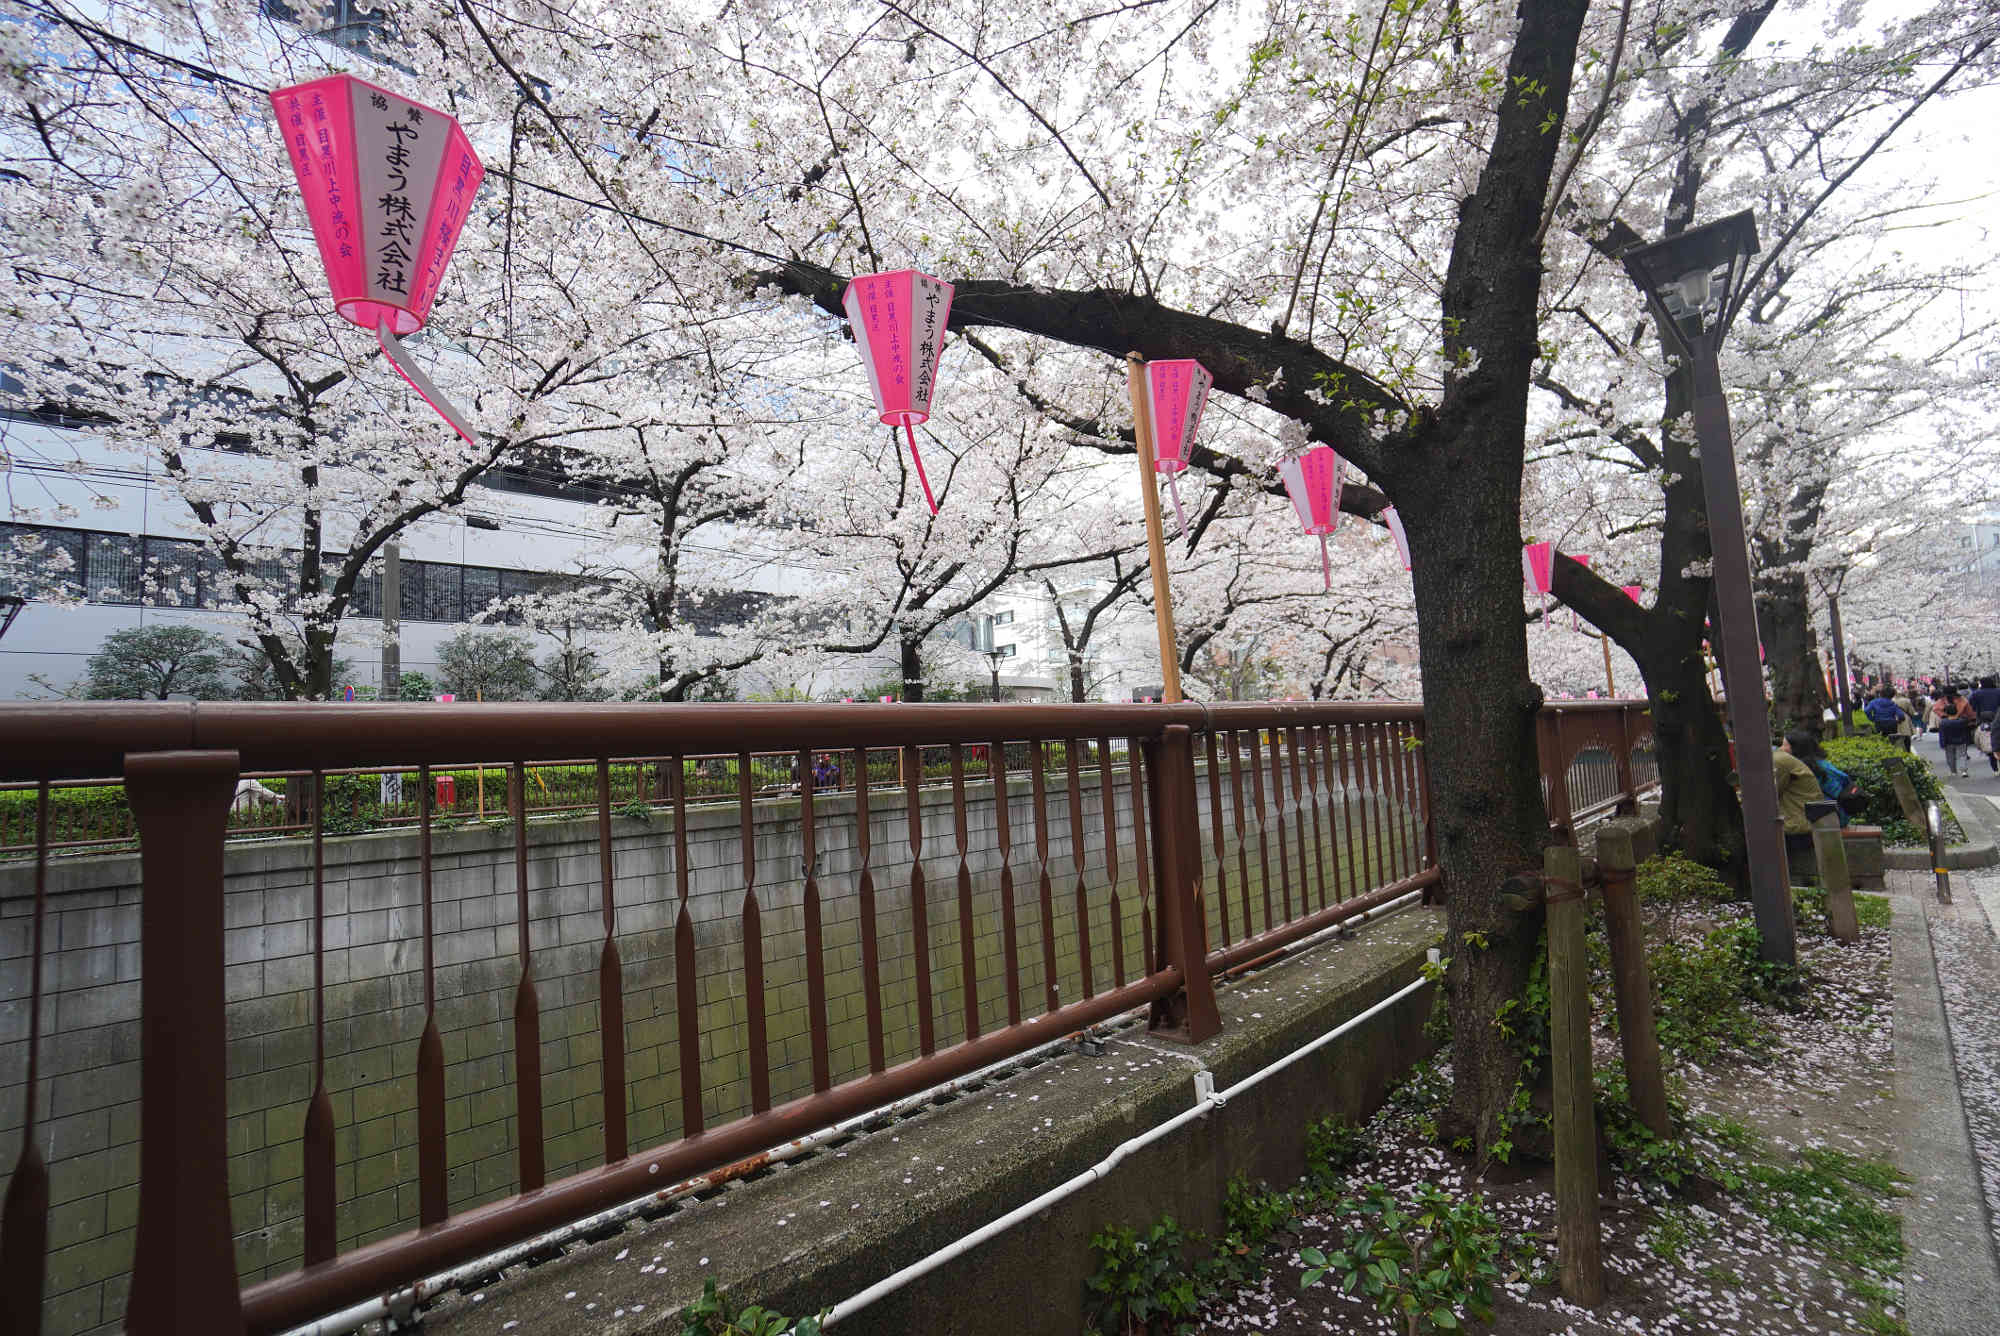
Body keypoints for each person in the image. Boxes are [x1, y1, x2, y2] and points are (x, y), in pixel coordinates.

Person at [1774, 730, 1829, 863]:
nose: (1780, 749)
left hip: (1798, 829)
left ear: (1795, 748)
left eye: (1784, 745)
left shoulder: (1783, 762)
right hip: (1818, 821)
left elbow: (1769, 794)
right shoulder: (1815, 763)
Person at [1936, 686, 1979, 778]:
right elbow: (1970, 712)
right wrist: (1971, 719)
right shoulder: (1962, 700)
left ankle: (1953, 771)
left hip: (1948, 733)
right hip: (1961, 726)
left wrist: (1943, 715)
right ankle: (1963, 770)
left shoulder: (1942, 702)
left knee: (1950, 756)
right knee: (1962, 753)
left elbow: (1936, 709)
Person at [1971, 676, 2000, 772]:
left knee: (1989, 740)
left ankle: (1994, 766)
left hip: (1983, 719)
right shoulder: (1998, 691)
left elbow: (1973, 706)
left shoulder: (1976, 694)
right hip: (1997, 716)